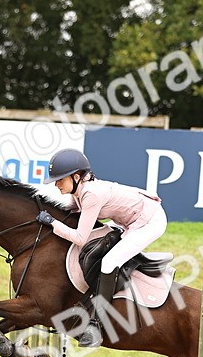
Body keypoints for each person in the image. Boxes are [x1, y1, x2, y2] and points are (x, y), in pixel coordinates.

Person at [36, 148, 167, 346]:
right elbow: (69, 211)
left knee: (109, 262)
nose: (56, 184)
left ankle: (96, 323)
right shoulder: (80, 190)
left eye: (60, 180)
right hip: (129, 221)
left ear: (77, 176)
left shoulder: (91, 194)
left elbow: (80, 238)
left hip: (150, 221)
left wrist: (52, 223)